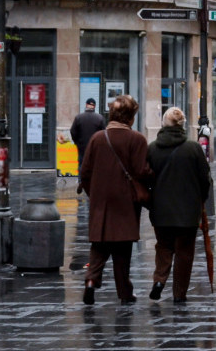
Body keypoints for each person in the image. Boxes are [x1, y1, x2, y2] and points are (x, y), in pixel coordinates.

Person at [79, 95, 150, 306]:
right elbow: (141, 171)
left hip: (101, 200)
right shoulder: (137, 139)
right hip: (125, 201)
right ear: (131, 116)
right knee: (122, 249)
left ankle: (91, 281)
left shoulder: (98, 138)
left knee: (99, 245)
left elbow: (85, 172)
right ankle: (124, 291)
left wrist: (95, 193)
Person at [146, 107, 210, 305]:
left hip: (161, 210)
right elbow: (205, 179)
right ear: (182, 124)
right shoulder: (193, 148)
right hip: (188, 212)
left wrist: (151, 201)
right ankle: (179, 293)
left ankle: (159, 281)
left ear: (164, 123)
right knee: (184, 252)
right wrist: (200, 200)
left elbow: (146, 178)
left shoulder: (153, 148)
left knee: (163, 247)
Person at [70, 97, 106, 170]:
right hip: (95, 146)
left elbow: (73, 131)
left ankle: (81, 180)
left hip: (82, 146)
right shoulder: (100, 118)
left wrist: (77, 142)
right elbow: (104, 133)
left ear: (86, 105)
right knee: (94, 166)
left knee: (82, 165)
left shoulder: (79, 117)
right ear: (94, 106)